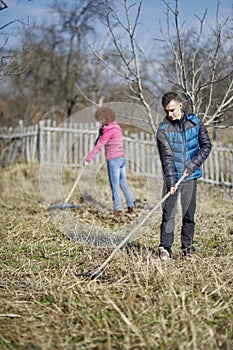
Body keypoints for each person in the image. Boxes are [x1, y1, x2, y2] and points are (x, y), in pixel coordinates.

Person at [156, 92, 212, 260]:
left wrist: (192, 166)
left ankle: (187, 249)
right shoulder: (163, 129)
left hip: (190, 176)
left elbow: (206, 146)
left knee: (189, 214)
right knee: (168, 213)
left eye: (172, 110)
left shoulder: (195, 122)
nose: (169, 114)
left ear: (180, 106)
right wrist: (171, 182)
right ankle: (165, 248)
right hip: (172, 176)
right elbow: (166, 158)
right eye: (166, 111)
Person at [84, 106, 134, 217]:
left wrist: (88, 159)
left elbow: (99, 145)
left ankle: (117, 209)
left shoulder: (108, 130)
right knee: (123, 182)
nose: (100, 122)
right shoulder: (116, 127)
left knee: (114, 185)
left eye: (101, 120)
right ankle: (131, 204)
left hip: (113, 160)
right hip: (122, 158)